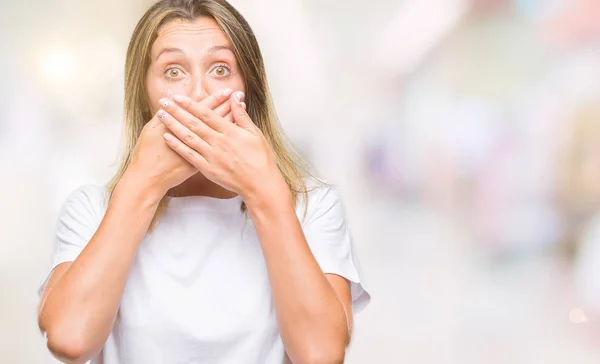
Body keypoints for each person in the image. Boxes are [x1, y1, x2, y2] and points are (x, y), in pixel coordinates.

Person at [36, 1, 370, 363]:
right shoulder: (91, 210)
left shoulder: (313, 208)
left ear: (249, 90)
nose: (197, 94)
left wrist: (264, 192)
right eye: (174, 71)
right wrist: (141, 184)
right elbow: (69, 339)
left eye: (221, 69)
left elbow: (321, 354)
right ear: (144, 97)